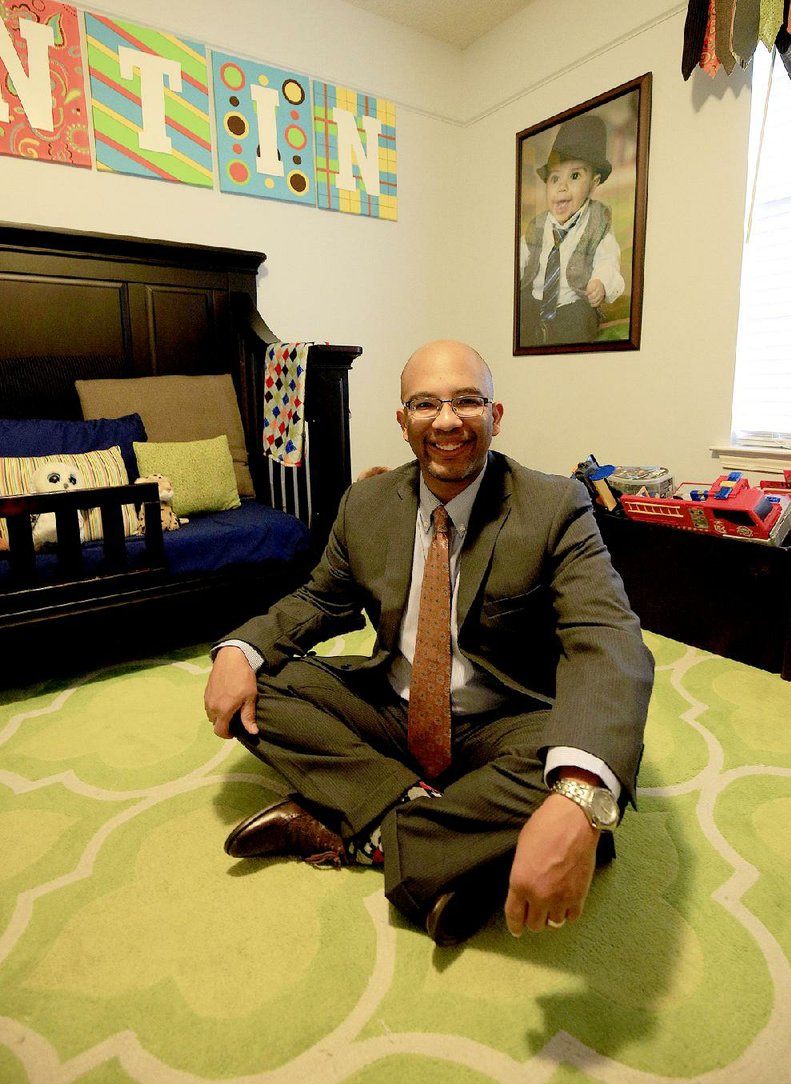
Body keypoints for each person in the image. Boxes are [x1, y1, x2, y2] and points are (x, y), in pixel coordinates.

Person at [204, 340, 654, 947]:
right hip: (394, 706)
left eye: (467, 401)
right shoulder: (364, 504)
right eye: (425, 405)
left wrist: (577, 795)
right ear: (402, 421)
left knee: (589, 755)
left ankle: (352, 823)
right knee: (260, 690)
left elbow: (607, 640)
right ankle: (445, 845)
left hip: (504, 723)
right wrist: (239, 650)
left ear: (495, 417)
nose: (447, 421)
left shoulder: (555, 506)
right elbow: (319, 600)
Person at [518, 114, 625, 347]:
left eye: (575, 176)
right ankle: (537, 333)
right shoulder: (537, 225)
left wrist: (601, 282)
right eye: (555, 178)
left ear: (594, 183)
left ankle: (551, 335)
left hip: (571, 302)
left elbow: (608, 260)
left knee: (581, 319)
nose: (562, 187)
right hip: (536, 299)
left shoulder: (597, 222)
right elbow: (521, 254)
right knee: (521, 307)